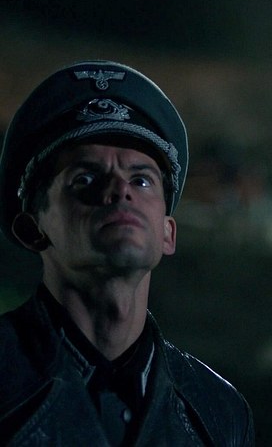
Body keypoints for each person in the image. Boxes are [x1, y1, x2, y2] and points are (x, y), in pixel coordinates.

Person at [0, 60, 253, 445]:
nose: (120, 190)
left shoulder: (217, 410)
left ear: (168, 233)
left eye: (141, 179)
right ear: (32, 229)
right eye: (85, 178)